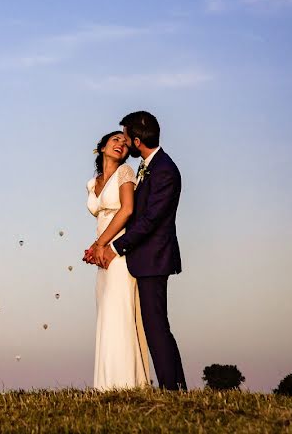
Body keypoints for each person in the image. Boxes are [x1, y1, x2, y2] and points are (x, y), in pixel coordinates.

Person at [85, 111, 187, 391]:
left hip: (153, 258)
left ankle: (171, 388)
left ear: (138, 140)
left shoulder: (164, 169)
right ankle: (174, 385)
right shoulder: (150, 167)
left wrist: (113, 246)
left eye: (127, 137)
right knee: (154, 326)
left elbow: (150, 219)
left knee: (155, 327)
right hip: (141, 257)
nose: (125, 143)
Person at [85, 131, 151, 391]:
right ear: (101, 147)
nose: (121, 144)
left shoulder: (125, 173)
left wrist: (103, 244)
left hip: (119, 250)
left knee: (120, 312)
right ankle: (105, 385)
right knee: (106, 314)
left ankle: (126, 384)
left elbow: (127, 210)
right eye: (115, 140)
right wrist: (94, 247)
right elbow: (101, 218)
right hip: (103, 251)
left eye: (124, 143)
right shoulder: (93, 183)